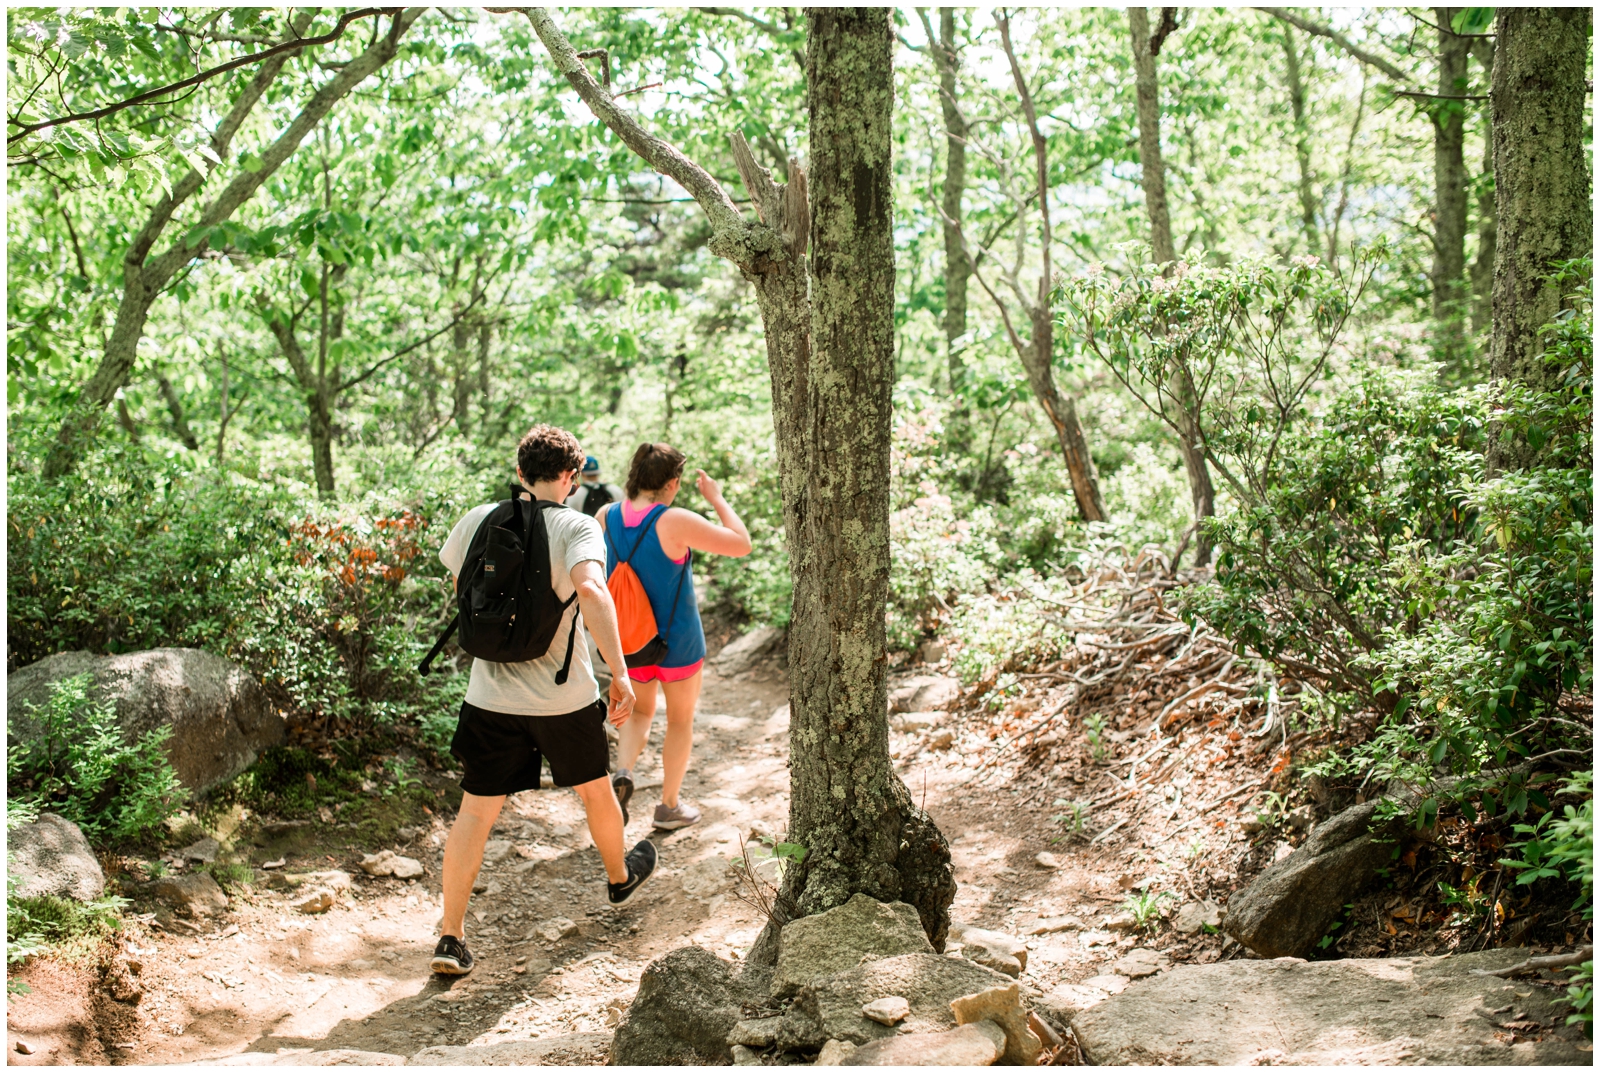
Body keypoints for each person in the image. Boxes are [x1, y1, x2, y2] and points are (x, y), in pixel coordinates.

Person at [429, 424, 657, 977]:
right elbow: (591, 589)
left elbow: (458, 583)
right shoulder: (577, 526)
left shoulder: (479, 518)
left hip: (489, 695)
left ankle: (450, 936)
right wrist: (619, 673)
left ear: (519, 472)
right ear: (571, 477)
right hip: (565, 697)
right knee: (596, 792)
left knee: (475, 811)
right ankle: (618, 877)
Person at [602, 443, 752, 831]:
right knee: (680, 721)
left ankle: (623, 771)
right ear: (672, 483)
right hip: (679, 643)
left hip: (631, 641)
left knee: (639, 712)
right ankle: (668, 807)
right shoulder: (674, 520)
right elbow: (741, 543)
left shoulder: (606, 516)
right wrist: (716, 498)